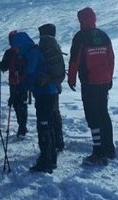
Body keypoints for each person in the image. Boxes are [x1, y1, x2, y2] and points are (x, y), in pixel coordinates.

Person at [67, 7, 115, 166]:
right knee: (103, 113)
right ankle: (109, 148)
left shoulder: (80, 37)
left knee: (92, 116)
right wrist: (109, 78)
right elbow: (111, 58)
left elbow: (74, 60)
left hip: (89, 83)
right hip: (103, 82)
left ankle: (98, 151)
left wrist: (71, 79)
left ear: (81, 20)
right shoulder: (103, 35)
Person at [11, 31, 59, 174]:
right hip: (46, 93)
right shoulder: (32, 51)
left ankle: (46, 161)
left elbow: (31, 73)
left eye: (16, 46)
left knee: (43, 126)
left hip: (45, 94)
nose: (16, 50)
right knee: (47, 126)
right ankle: (50, 158)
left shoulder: (33, 53)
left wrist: (20, 87)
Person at [38, 23, 65, 152]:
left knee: (46, 117)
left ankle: (49, 148)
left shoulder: (45, 44)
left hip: (46, 87)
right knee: (55, 114)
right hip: (55, 85)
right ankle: (58, 142)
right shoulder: (54, 45)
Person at [0, 30, 28, 138]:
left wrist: (2, 65)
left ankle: (22, 127)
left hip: (18, 82)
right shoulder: (22, 51)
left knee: (19, 104)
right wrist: (2, 65)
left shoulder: (11, 52)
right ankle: (22, 126)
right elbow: (5, 66)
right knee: (18, 104)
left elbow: (5, 67)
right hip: (19, 82)